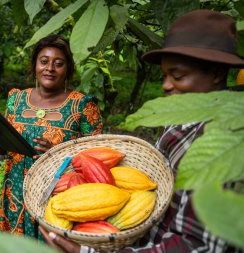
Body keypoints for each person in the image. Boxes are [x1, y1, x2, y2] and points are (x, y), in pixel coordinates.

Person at [40, 9, 244, 253]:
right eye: (165, 75)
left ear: (217, 74)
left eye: (178, 76)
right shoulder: (185, 114)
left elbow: (196, 245)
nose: (166, 85)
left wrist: (85, 252)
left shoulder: (226, 145)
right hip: (141, 231)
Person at [0, 34, 103, 238]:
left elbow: (96, 159)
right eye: (44, 61)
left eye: (58, 63)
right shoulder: (16, 99)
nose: (50, 68)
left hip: (57, 195)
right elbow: (5, 150)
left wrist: (57, 155)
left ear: (68, 69)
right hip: (17, 192)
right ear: (35, 64)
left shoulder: (82, 105)